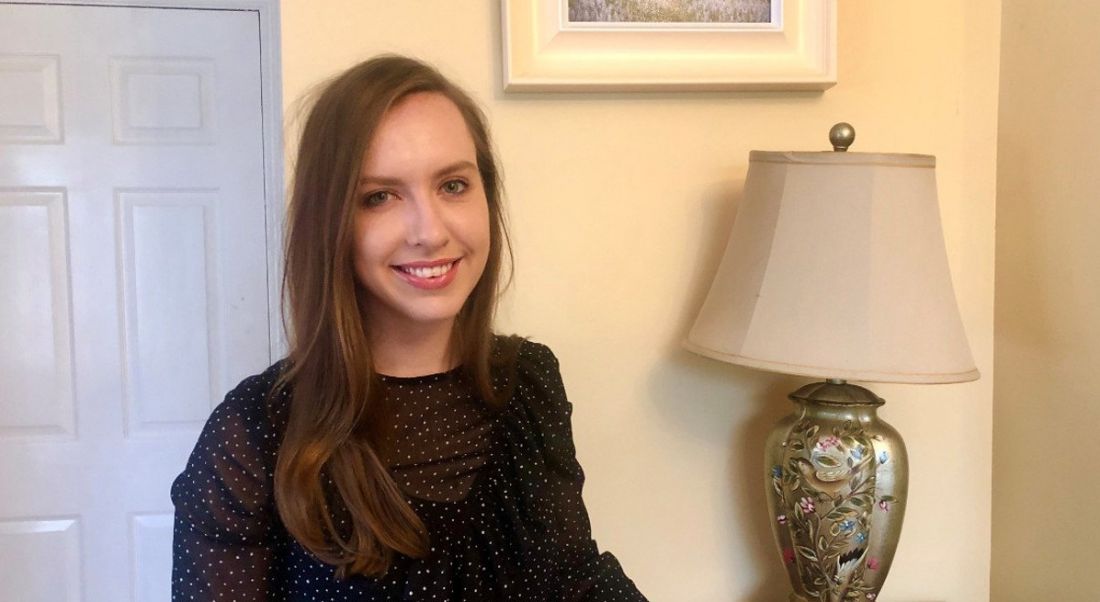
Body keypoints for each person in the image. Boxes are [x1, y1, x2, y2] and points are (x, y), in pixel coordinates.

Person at [170, 55, 647, 601]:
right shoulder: (253, 434)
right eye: (380, 196)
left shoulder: (530, 380)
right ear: (333, 224)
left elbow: (574, 578)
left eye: (452, 185)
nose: (431, 231)